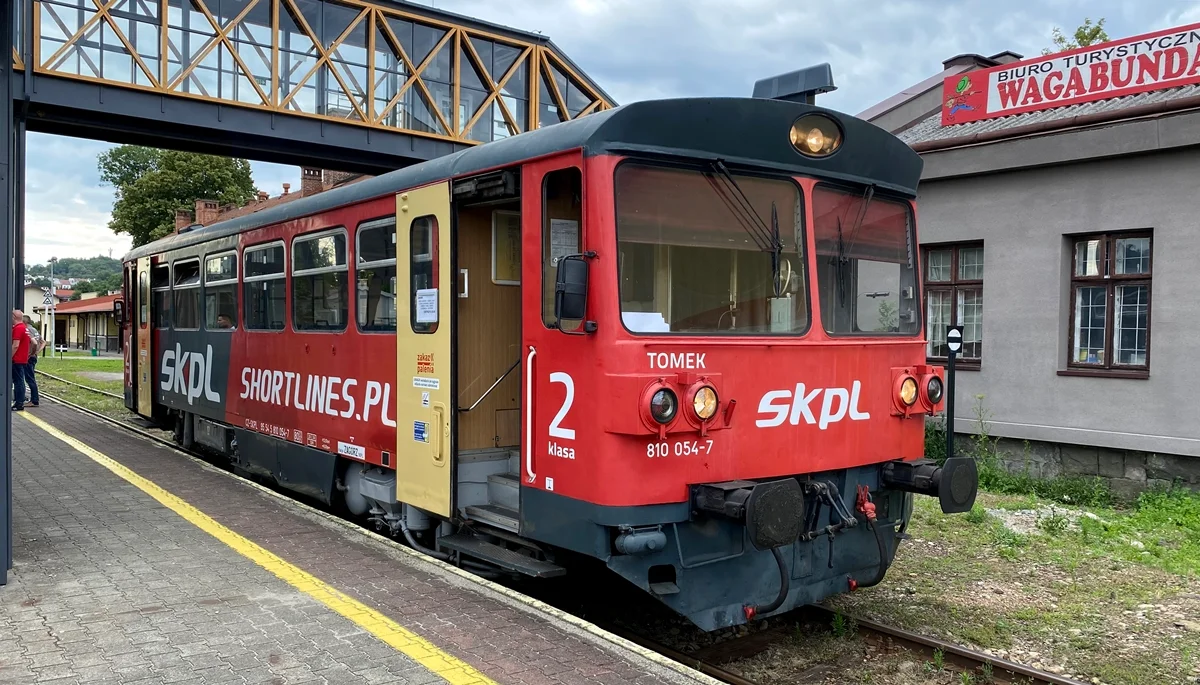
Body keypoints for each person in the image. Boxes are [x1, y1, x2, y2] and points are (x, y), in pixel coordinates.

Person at [22, 315, 42, 407]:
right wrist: (37, 351)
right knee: (31, 378)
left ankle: (34, 400)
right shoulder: (34, 329)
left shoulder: (28, 330)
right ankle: (34, 399)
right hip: (34, 357)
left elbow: (33, 342)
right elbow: (43, 342)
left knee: (30, 379)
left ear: (24, 322)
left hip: (29, 357)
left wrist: (32, 353)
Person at [11, 309, 29, 412]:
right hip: (22, 359)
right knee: (20, 381)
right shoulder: (24, 327)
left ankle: (19, 403)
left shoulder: (18, 328)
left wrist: (9, 358)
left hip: (16, 359)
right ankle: (19, 402)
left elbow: (15, 345)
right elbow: (33, 342)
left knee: (18, 382)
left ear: (14, 317)